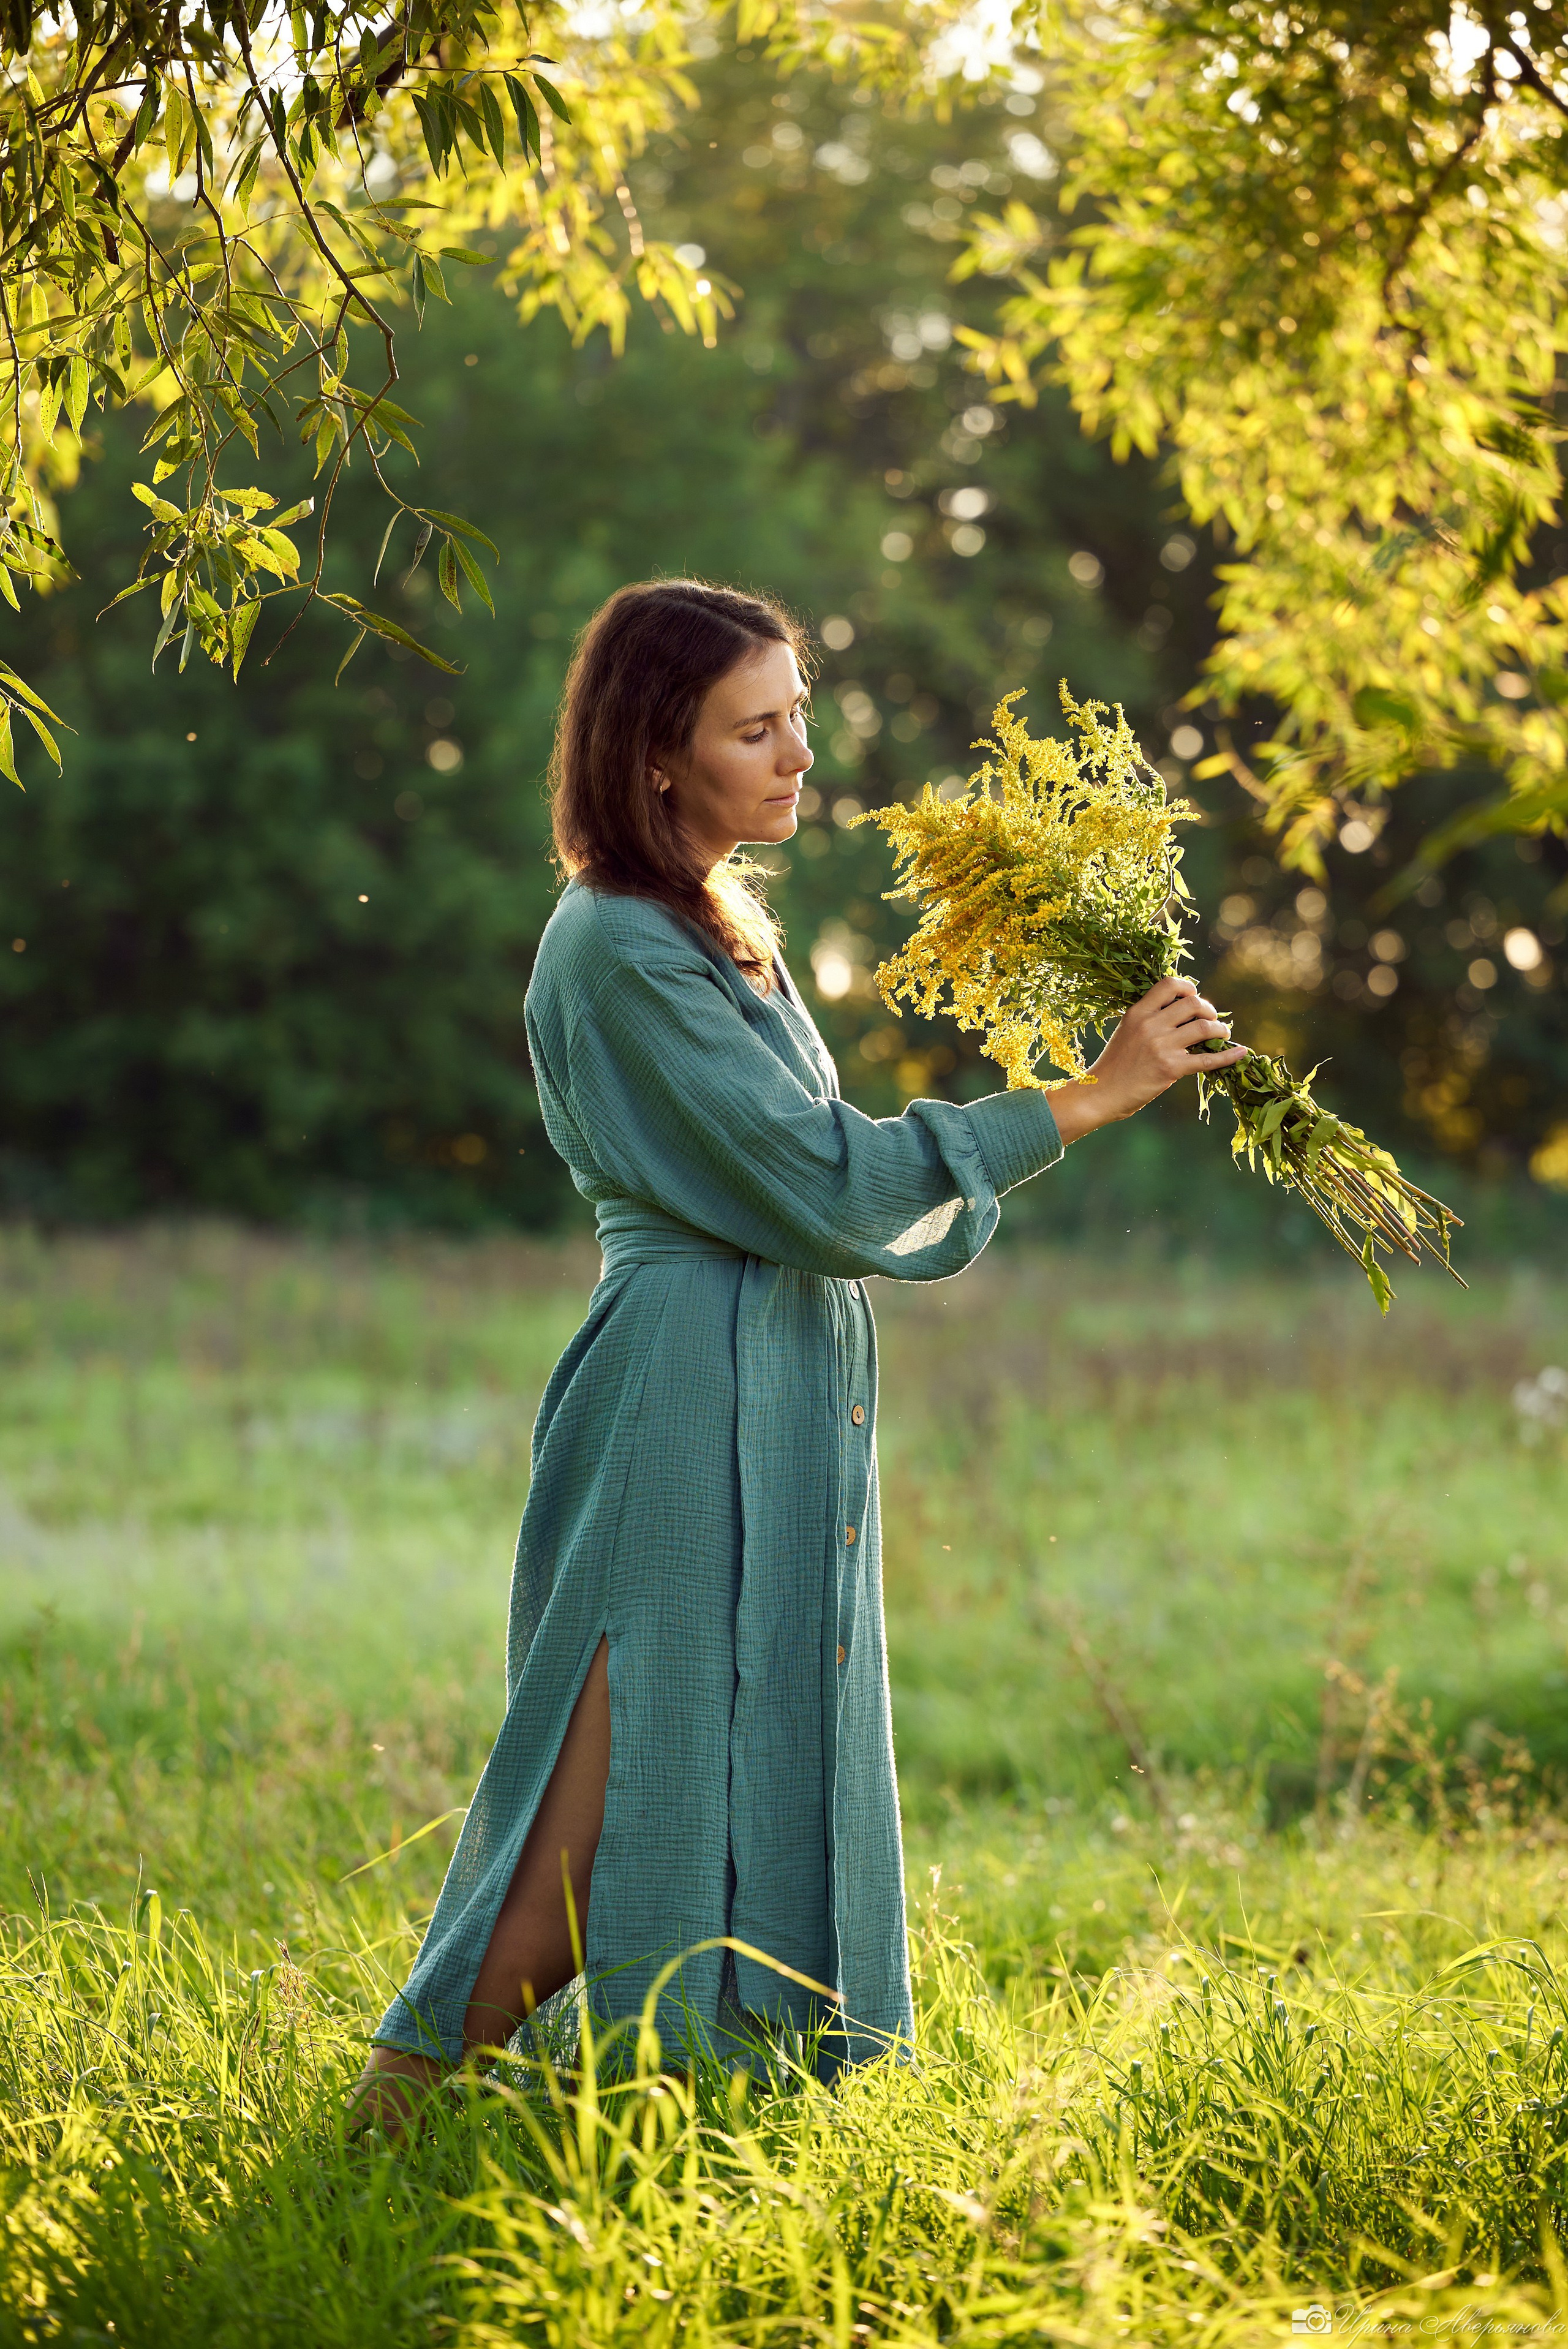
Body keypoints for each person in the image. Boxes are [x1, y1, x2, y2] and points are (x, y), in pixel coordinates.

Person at [352, 578, 1246, 2128]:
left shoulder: (715, 921)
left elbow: (809, 1185)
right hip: (681, 1393)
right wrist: (1078, 1101)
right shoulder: (617, 947)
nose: (795, 759)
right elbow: (817, 1178)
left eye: (797, 720)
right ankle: (386, 2111)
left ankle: (705, 2099)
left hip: (770, 1373)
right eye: (753, 730)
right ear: (652, 752)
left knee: (752, 1732)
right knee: (594, 1805)